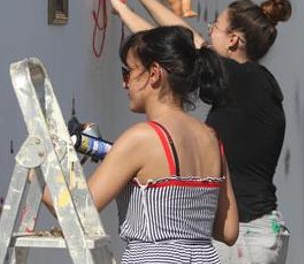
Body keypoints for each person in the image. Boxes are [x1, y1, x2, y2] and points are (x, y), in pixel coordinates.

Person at [108, 0, 292, 263]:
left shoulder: (243, 79)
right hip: (259, 230)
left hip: (246, 235)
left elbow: (178, 44)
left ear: (233, 40)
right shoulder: (252, 84)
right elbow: (178, 43)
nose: (208, 33)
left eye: (215, 27)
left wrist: (125, 2)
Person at [45, 26, 239, 263]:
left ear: (154, 73)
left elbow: (75, 213)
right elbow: (228, 231)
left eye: (128, 72)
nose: (124, 84)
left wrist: (37, 167)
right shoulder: (211, 138)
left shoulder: (142, 138)